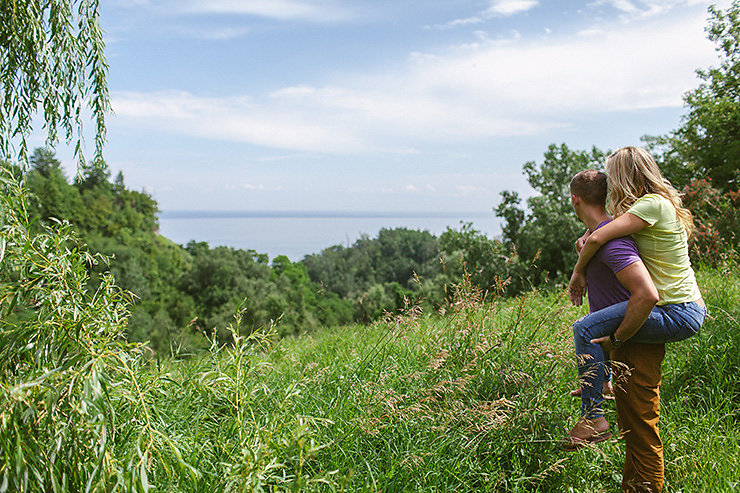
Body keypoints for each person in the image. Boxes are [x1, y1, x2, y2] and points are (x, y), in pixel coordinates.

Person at [568, 147, 706, 492]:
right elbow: (596, 235)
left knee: (641, 429)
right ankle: (599, 387)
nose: (611, 183)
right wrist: (586, 243)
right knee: (636, 429)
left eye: (613, 175)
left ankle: (593, 414)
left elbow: (603, 239)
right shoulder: (648, 209)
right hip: (675, 307)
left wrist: (579, 272)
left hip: (673, 310)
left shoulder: (650, 205)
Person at [565, 170, 659, 452]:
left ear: (574, 200)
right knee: (636, 436)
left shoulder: (611, 242)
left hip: (632, 346)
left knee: (642, 435)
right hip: (619, 348)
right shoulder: (596, 239)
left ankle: (593, 417)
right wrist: (597, 374)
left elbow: (643, 294)